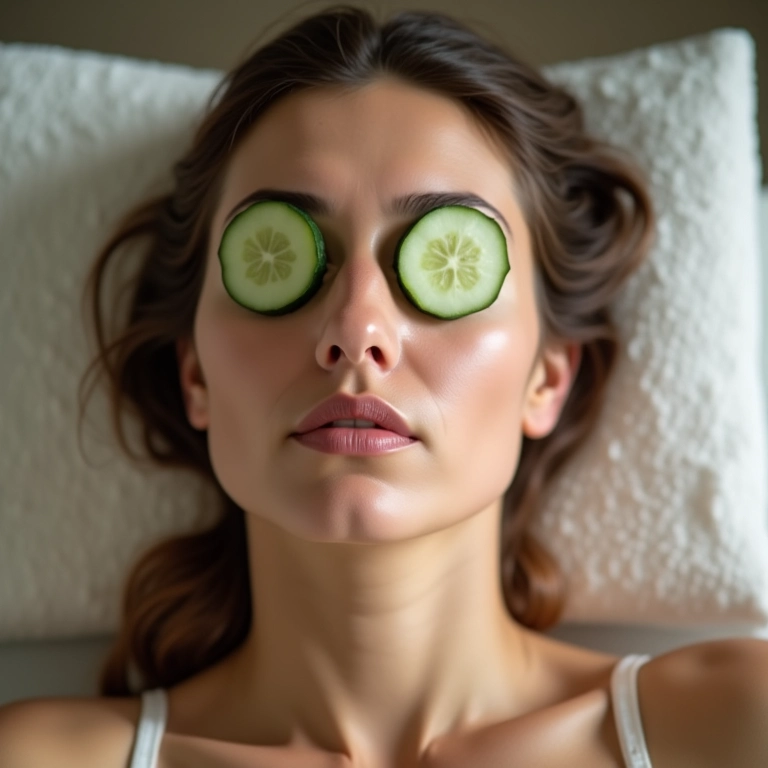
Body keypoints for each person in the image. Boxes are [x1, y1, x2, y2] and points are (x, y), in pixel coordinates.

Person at [2, 5, 767, 767]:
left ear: (548, 376)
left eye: (445, 264)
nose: (356, 329)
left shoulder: (736, 722)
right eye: (280, 260)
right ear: (194, 372)